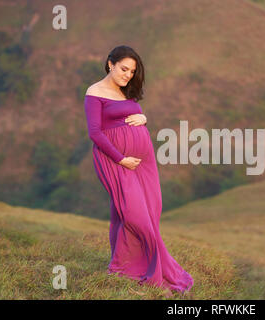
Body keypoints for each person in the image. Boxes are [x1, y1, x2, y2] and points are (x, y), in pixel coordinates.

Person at [83, 45, 194, 297]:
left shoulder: (126, 93)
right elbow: (95, 132)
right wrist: (121, 159)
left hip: (143, 164)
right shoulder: (94, 92)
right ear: (110, 64)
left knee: (148, 212)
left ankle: (124, 269)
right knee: (135, 216)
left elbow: (132, 116)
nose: (127, 75)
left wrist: (143, 118)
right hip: (115, 161)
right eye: (124, 69)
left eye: (132, 72)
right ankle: (143, 273)